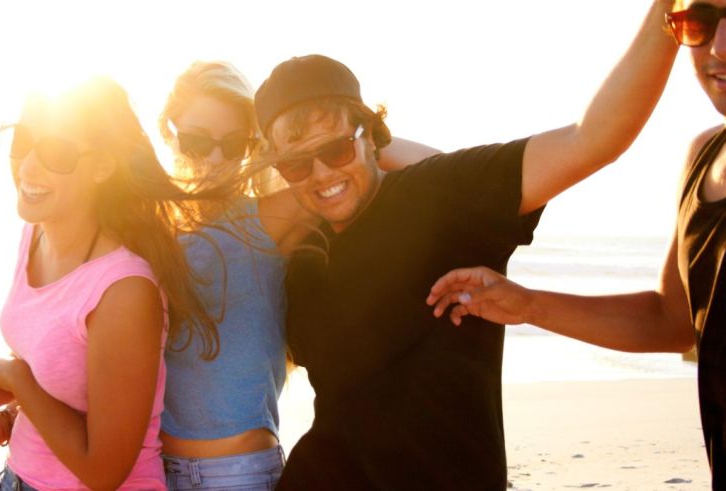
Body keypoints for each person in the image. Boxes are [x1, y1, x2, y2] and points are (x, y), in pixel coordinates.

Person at [252, 2, 679, 489]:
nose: (323, 175)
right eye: (298, 165)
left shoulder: (440, 196)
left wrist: (669, 11)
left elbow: (594, 138)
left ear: (371, 134)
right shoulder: (300, 253)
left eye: (335, 150)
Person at [426, 1, 726, 487]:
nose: (718, 48)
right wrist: (528, 304)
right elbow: (673, 320)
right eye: (698, 22)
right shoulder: (703, 156)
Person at [0, 76, 221, 490]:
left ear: (102, 165)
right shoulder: (35, 234)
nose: (28, 165)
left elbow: (104, 471)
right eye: (22, 140)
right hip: (17, 479)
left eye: (57, 152)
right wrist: (2, 412)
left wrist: (14, 380)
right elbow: (57, 374)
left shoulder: (124, 290)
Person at [155, 60, 439, 490]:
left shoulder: (271, 218)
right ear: (170, 135)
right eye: (196, 141)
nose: (214, 159)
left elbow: (439, 173)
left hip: (239, 476)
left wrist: (356, 138)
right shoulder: (153, 231)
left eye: (232, 144)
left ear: (256, 148)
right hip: (153, 473)